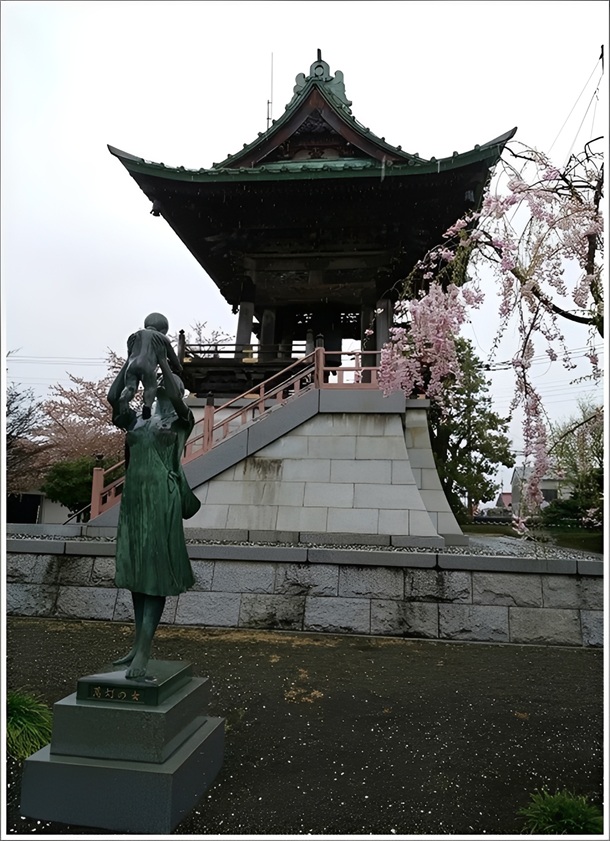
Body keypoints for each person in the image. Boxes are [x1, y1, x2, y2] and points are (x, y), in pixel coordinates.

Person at [108, 329, 200, 679]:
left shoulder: (179, 422)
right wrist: (131, 359)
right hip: (134, 499)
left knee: (155, 572)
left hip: (162, 496)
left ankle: (144, 653)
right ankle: (136, 644)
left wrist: (161, 354)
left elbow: (178, 396)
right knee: (136, 571)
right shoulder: (138, 418)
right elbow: (113, 397)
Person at [118, 312, 183, 420]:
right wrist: (178, 367)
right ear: (163, 329)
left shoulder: (134, 335)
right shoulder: (161, 337)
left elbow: (131, 352)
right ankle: (147, 408)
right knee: (151, 387)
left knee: (130, 387)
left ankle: (124, 398)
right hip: (147, 366)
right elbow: (173, 357)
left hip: (132, 365)